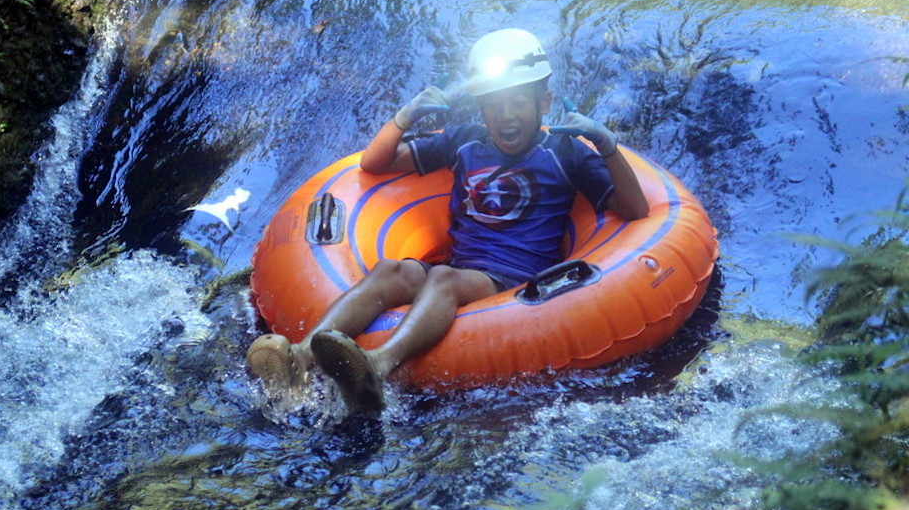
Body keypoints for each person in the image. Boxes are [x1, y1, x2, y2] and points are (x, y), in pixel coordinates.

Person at [247, 28, 649, 415]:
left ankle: (379, 364)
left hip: (513, 279)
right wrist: (404, 117)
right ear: (481, 108)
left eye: (518, 103)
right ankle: (301, 356)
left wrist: (607, 145)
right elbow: (374, 163)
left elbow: (635, 210)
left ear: (544, 102)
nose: (506, 115)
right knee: (393, 270)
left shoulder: (566, 152)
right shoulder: (465, 141)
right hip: (460, 267)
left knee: (443, 279)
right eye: (494, 105)